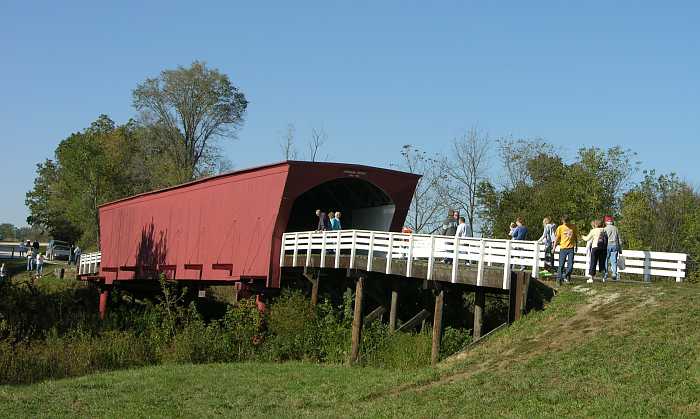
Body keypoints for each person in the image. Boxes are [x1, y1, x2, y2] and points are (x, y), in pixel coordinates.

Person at [554, 215, 578, 285]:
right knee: (561, 265)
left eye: (566, 222)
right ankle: (558, 280)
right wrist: (554, 247)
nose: (565, 224)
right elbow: (557, 238)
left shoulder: (573, 227)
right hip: (563, 248)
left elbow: (575, 237)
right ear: (562, 221)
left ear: (568, 220)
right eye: (564, 222)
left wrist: (576, 246)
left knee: (570, 265)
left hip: (571, 248)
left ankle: (566, 277)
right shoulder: (560, 228)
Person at [603, 215, 623, 281]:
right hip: (615, 245)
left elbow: (603, 239)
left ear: (606, 222)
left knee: (605, 260)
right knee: (614, 260)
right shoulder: (616, 228)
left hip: (607, 246)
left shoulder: (605, 229)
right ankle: (614, 273)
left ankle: (605, 273)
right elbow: (619, 239)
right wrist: (620, 249)